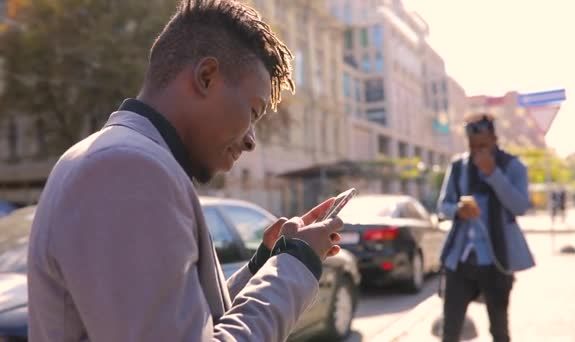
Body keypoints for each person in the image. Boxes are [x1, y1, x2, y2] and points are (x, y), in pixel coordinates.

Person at [27, 1, 343, 341]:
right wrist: (295, 266)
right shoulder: (127, 170)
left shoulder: (125, 159)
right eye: (253, 112)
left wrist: (262, 267)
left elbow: (193, 327)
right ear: (206, 77)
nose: (252, 141)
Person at [437, 114, 535, 342]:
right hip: (461, 259)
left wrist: (493, 173)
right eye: (472, 146)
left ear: (494, 139)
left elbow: (520, 206)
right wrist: (457, 210)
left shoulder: (513, 166)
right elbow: (443, 206)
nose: (477, 151)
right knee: (450, 329)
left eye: (483, 145)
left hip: (496, 260)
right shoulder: (459, 166)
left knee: (499, 329)